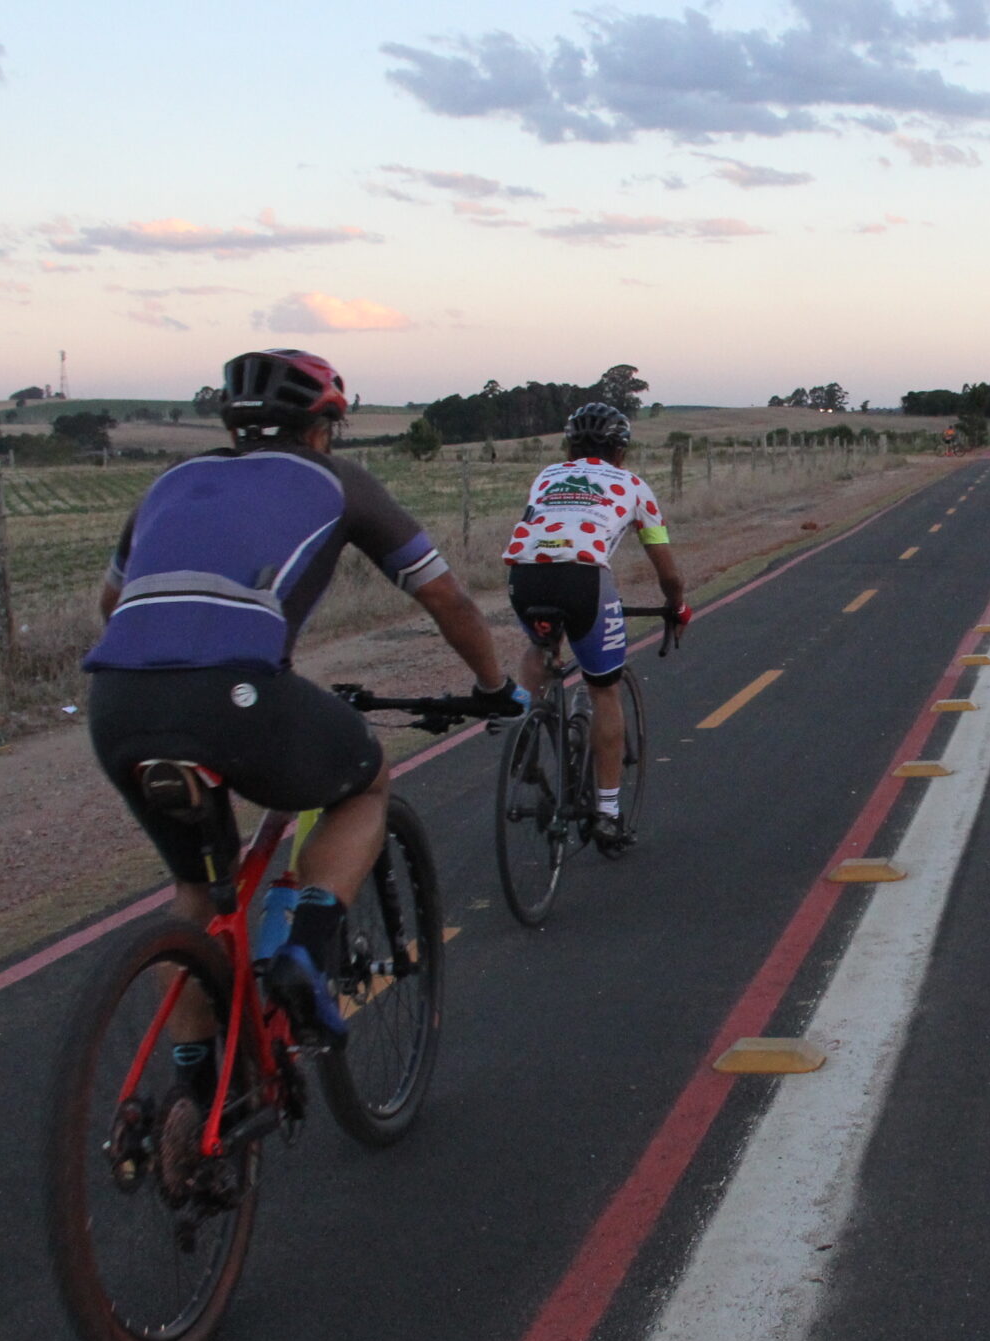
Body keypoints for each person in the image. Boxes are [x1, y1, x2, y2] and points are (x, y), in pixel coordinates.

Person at [82, 348, 524, 1045]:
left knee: (199, 891)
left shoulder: (170, 482)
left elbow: (112, 603)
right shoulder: (338, 481)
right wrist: (496, 688)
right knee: (365, 780)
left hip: (116, 703)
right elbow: (447, 596)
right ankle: (301, 951)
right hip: (235, 690)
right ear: (323, 427)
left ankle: (192, 1101)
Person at [503, 400, 691, 853]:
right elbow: (666, 570)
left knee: (541, 649)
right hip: (584, 577)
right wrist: (677, 606)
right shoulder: (634, 485)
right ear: (621, 452)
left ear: (569, 447)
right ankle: (607, 813)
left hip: (523, 573)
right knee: (603, 687)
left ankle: (526, 730)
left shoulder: (547, 476)